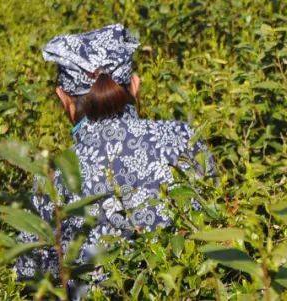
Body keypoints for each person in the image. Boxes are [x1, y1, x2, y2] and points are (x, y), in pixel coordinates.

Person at [14, 24, 213, 294]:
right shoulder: (183, 138)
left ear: (63, 98)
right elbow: (214, 221)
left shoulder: (52, 175)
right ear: (135, 84)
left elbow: (30, 272)